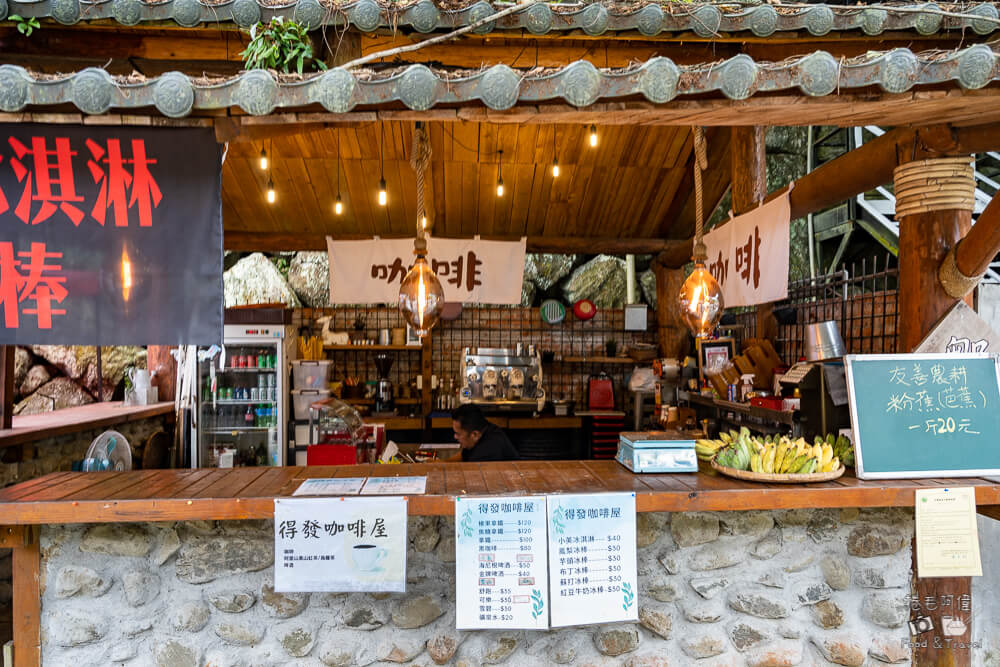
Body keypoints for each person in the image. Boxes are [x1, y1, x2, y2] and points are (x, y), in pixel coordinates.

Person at [448, 404, 519, 462]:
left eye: (458, 434)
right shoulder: (483, 429)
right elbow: (464, 455)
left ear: (475, 435)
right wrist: (443, 463)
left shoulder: (485, 455)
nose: (455, 437)